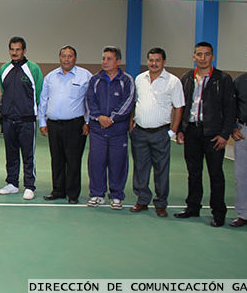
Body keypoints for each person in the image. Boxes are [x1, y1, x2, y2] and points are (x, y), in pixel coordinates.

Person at [175, 42, 235, 227]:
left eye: (206, 54)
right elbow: (182, 106)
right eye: (199, 54)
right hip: (192, 131)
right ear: (193, 57)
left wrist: (225, 135)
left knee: (216, 173)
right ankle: (193, 207)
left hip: (213, 133)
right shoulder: (186, 78)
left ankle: (219, 212)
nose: (203, 58)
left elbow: (230, 109)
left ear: (212, 57)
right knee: (194, 172)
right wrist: (180, 130)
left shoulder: (222, 79)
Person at [129, 47, 184, 218]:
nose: (154, 63)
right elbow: (134, 103)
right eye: (151, 60)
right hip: (140, 132)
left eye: (157, 60)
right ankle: (142, 200)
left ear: (164, 62)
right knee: (140, 168)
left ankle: (161, 203)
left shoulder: (173, 81)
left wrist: (173, 131)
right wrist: (132, 124)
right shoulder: (140, 79)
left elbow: (179, 106)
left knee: (161, 170)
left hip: (161, 133)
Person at [38, 45, 91, 204]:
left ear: (75, 58)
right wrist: (42, 121)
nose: (66, 59)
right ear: (59, 58)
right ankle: (58, 190)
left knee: (73, 160)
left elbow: (90, 101)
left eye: (70, 56)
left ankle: (72, 194)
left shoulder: (85, 76)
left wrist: (88, 122)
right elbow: (43, 100)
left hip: (75, 125)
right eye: (64, 56)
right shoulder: (51, 77)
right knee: (57, 159)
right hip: (53, 125)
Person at [85, 46, 135, 210]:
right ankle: (97, 194)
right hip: (97, 130)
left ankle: (116, 196)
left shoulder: (126, 81)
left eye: (109, 59)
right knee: (96, 161)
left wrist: (112, 118)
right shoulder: (95, 80)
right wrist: (99, 117)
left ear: (118, 61)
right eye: (103, 58)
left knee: (118, 163)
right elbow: (89, 101)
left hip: (117, 131)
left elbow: (128, 102)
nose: (105, 62)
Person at [0, 36, 43, 200]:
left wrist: (33, 112)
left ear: (24, 50)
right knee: (11, 153)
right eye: (12, 49)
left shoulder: (33, 69)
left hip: (27, 120)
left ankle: (30, 185)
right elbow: (4, 90)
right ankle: (12, 183)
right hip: (8, 119)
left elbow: (39, 93)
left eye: (18, 49)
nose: (15, 52)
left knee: (28, 154)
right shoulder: (4, 69)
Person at [231, 68, 247, 227]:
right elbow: (231, 107)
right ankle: (243, 214)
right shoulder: (240, 82)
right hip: (244, 132)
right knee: (241, 176)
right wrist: (234, 127)